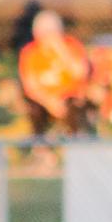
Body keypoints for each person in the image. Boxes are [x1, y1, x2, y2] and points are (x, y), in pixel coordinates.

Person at [17, 10, 95, 141]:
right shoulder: (31, 53)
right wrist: (49, 102)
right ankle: (42, 148)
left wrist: (61, 51)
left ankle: (75, 142)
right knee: (33, 110)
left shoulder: (71, 46)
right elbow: (30, 86)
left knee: (75, 106)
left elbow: (81, 73)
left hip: (70, 97)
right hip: (44, 99)